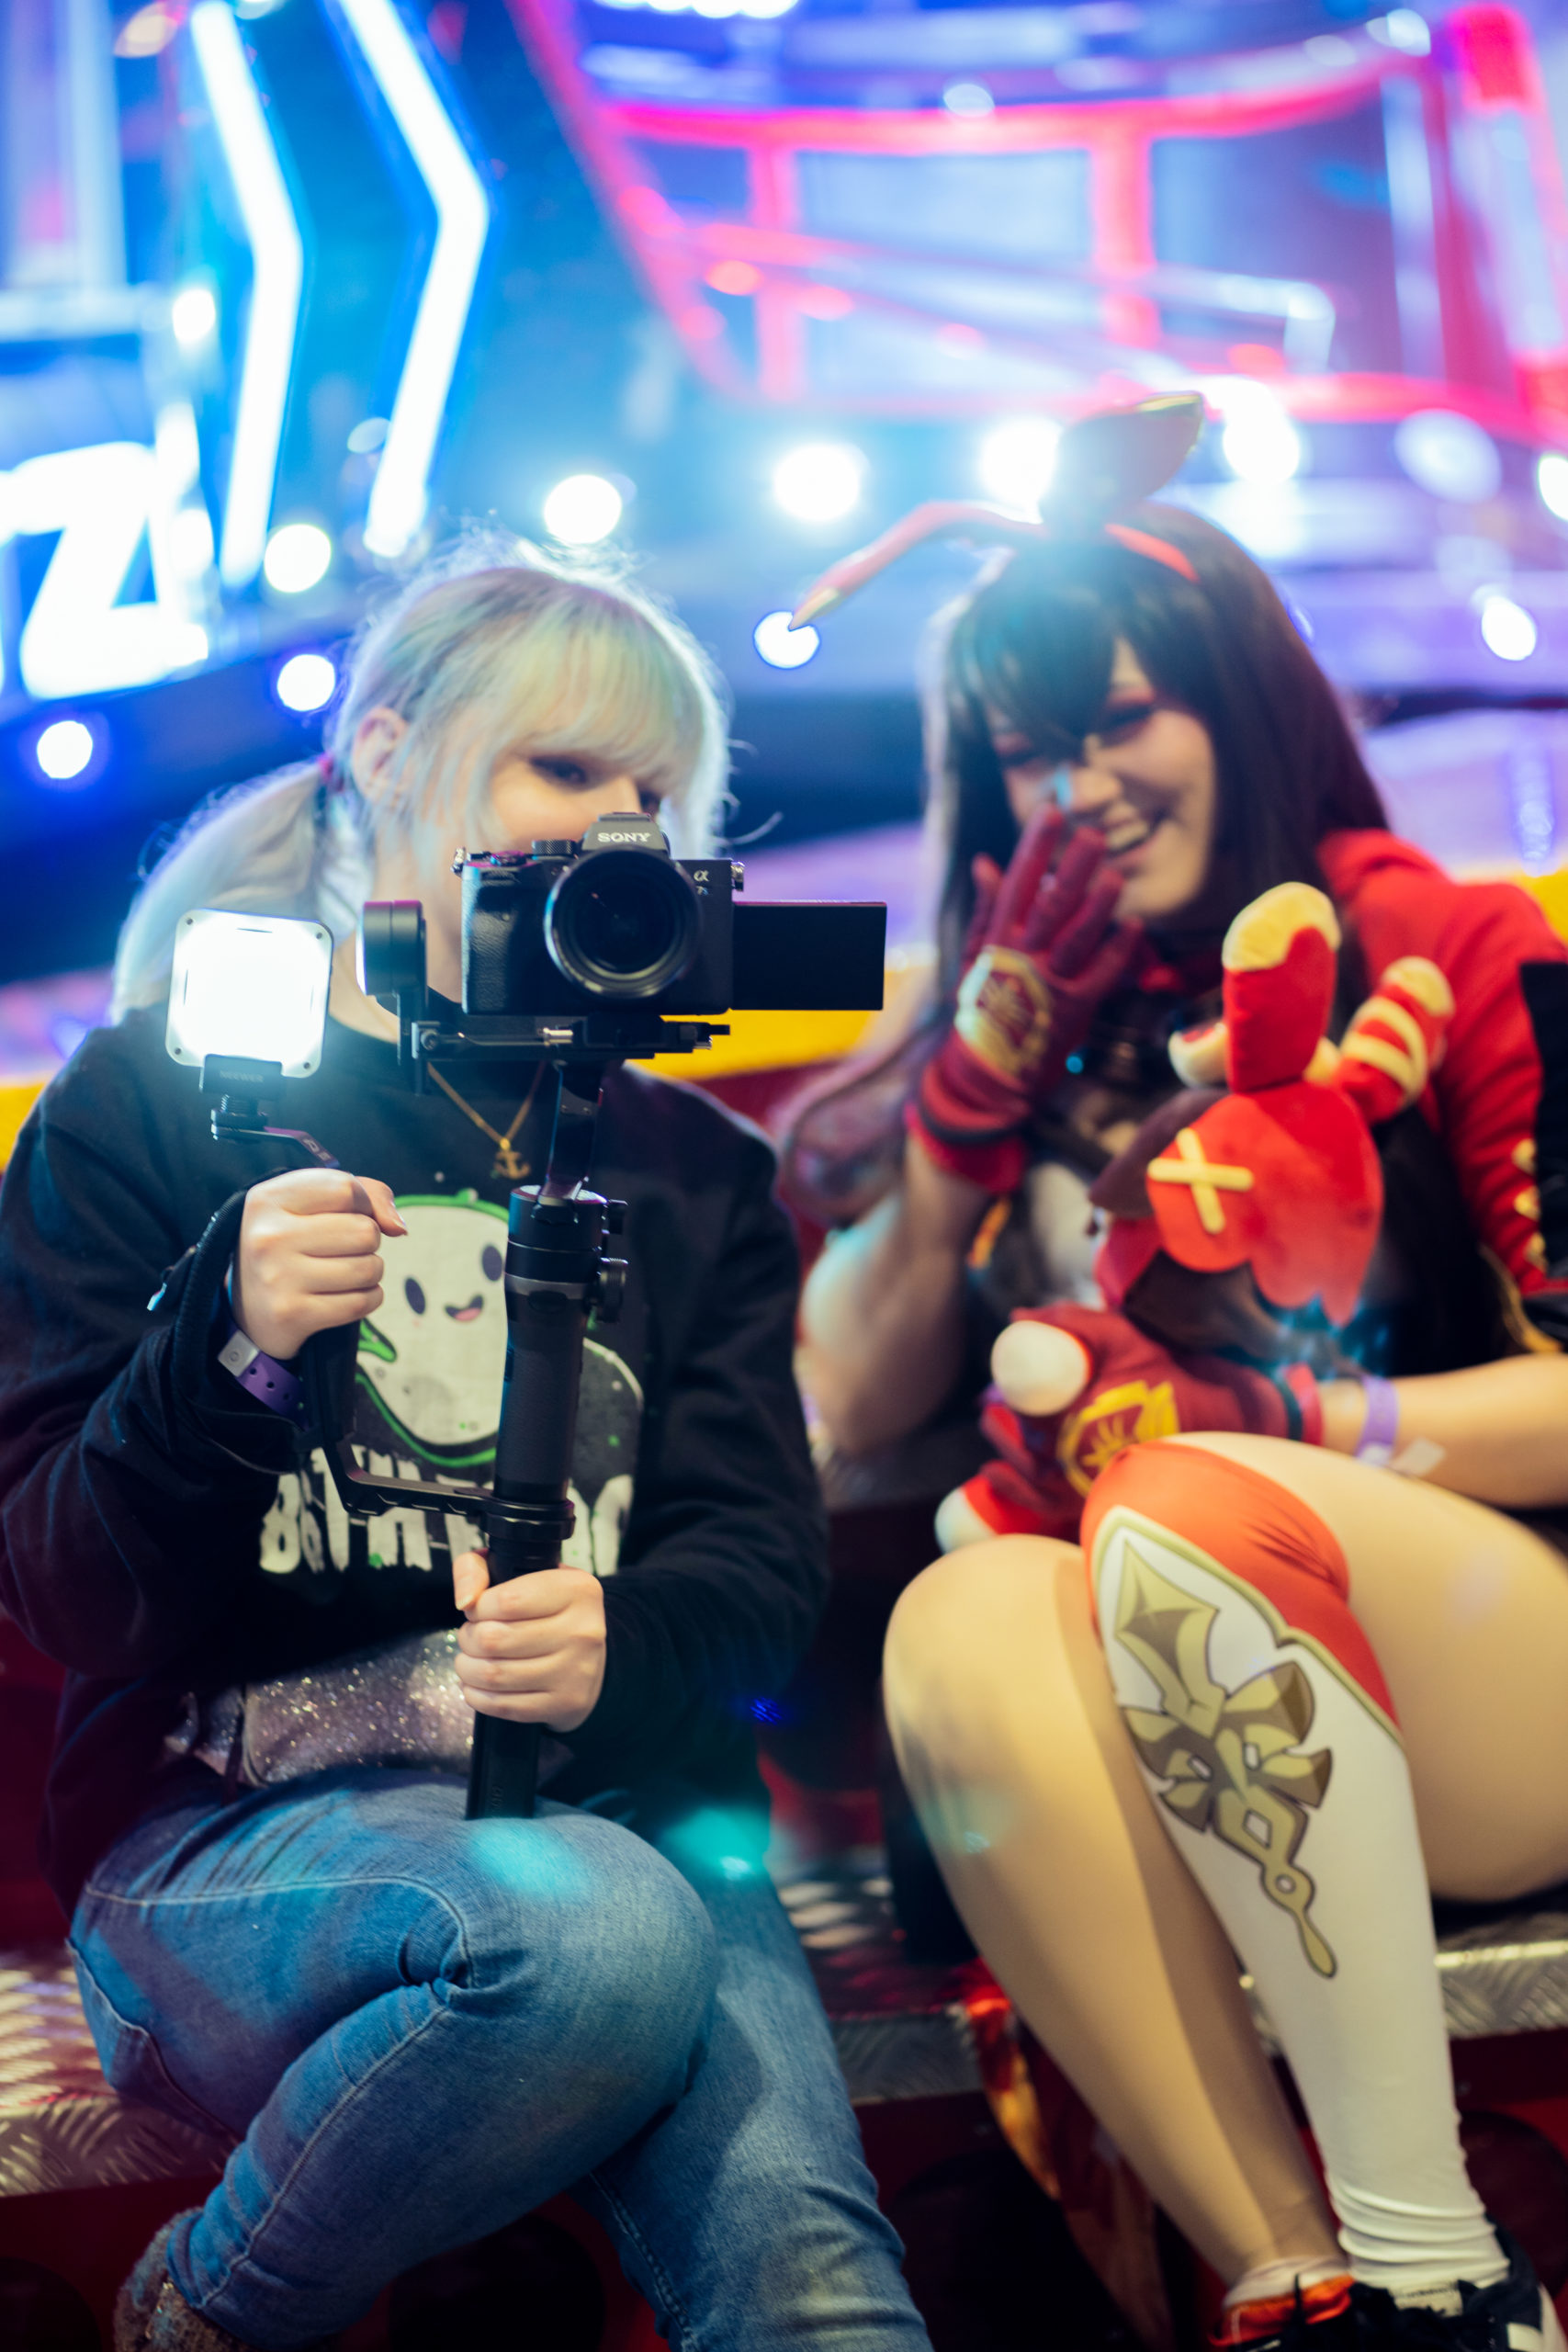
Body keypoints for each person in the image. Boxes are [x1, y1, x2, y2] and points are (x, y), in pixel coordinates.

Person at [0, 541, 932, 2352]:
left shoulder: (687, 1169)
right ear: (384, 752)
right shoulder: (156, 1100)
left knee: (810, 2278)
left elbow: (751, 1568)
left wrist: (621, 1644)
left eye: (653, 792)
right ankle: (206, 2313)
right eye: (564, 769)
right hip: (230, 1847)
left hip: (614, 1821)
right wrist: (229, 1339)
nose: (616, 825)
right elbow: (62, 1585)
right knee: (593, 1939)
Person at [786, 452, 1568, 2352]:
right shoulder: (1017, 1010)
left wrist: (1306, 1431)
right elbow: (833, 1403)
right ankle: (1296, 2282)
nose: (1076, 784)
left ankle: (1434, 2257)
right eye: (1027, 746)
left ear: (1237, 693)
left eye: (1118, 716)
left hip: (1475, 1668)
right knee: (961, 1606)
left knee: (1183, 1500)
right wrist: (967, 1109)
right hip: (1087, 1752)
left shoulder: (1450, 954)